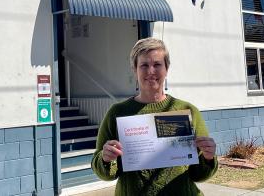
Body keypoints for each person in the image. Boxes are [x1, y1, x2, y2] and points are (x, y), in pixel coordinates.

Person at [91, 37, 217, 195]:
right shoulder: (117, 113)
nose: (151, 71)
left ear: (166, 68)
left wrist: (208, 157)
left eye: (157, 64)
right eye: (144, 65)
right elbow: (103, 171)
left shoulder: (187, 110)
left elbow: (199, 175)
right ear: (134, 70)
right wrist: (105, 159)